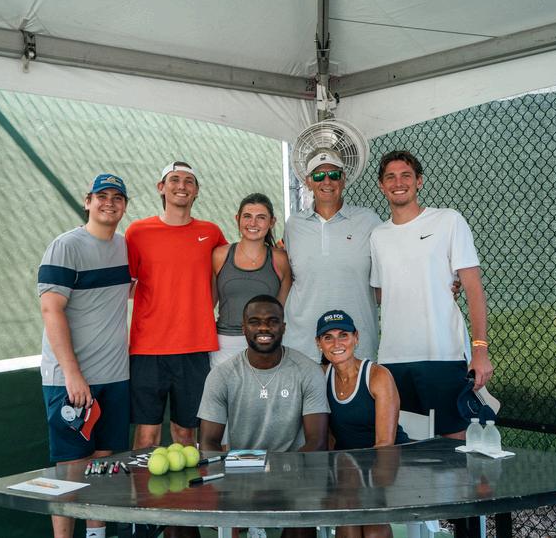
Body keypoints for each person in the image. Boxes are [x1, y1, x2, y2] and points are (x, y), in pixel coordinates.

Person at [370, 150, 494, 440]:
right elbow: (381, 294)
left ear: (419, 181)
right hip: (393, 359)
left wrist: (480, 351)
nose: (398, 182)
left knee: (456, 445)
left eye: (406, 175)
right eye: (390, 177)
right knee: (408, 446)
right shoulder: (378, 235)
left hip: (443, 354)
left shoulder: (448, 221)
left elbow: (474, 288)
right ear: (381, 185)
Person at [38, 173, 132, 538]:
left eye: (117, 197)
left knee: (104, 464)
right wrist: (72, 374)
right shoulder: (66, 246)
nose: (109, 202)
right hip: (70, 381)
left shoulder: (125, 247)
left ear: (125, 206)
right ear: (87, 201)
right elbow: (51, 310)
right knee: (71, 468)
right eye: (101, 196)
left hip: (115, 378)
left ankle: (96, 534)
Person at [199, 294, 330, 538]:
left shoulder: (307, 371)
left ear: (283, 327)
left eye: (272, 321)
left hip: (294, 472)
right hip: (240, 474)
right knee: (176, 522)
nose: (263, 328)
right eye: (254, 321)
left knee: (302, 529)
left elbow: (317, 441)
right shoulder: (222, 375)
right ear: (243, 328)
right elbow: (208, 442)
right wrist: (226, 483)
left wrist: (279, 472)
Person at [125, 161, 228, 450]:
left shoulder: (211, 233)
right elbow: (127, 287)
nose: (181, 186)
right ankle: (144, 484)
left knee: (185, 434)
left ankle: (190, 484)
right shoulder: (137, 232)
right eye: (174, 180)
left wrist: (199, 305)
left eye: (188, 181)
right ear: (161, 187)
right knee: (147, 436)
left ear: (196, 191)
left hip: (194, 349)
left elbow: (225, 275)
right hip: (147, 350)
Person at [283, 150, 382, 363]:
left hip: (356, 344)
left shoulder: (369, 221)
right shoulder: (293, 225)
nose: (326, 181)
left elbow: (387, 276)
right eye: (319, 175)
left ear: (343, 179)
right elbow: (289, 277)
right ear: (308, 182)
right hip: (302, 344)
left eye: (334, 175)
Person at [317, 309, 405, 538]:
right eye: (328, 337)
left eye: (343, 335)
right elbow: (327, 436)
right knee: (349, 529)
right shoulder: (320, 377)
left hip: (387, 462)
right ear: (319, 344)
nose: (337, 343)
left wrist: (364, 489)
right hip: (347, 465)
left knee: (373, 531)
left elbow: (385, 444)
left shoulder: (377, 375)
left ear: (356, 338)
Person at [211, 193, 292, 367]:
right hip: (225, 345)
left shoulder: (280, 259)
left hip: (266, 343)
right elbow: (208, 304)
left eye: (261, 217)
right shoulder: (220, 255)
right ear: (237, 219)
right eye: (247, 216)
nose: (253, 223)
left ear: (272, 222)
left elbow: (281, 310)